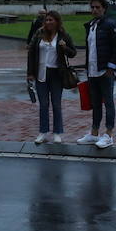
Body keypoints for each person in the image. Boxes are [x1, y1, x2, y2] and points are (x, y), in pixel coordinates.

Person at [78, 0, 116, 149]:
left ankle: (109, 135)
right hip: (92, 71)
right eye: (92, 7)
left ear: (104, 9)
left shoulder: (110, 25)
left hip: (105, 71)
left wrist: (111, 68)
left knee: (108, 103)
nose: (94, 10)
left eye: (98, 7)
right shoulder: (90, 26)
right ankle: (94, 133)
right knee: (96, 104)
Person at [27, 10, 77, 144]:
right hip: (41, 73)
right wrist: (30, 73)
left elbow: (73, 53)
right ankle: (43, 132)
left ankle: (57, 132)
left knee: (56, 104)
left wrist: (65, 48)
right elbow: (31, 52)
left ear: (57, 21)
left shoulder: (63, 35)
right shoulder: (39, 33)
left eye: (51, 20)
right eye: (47, 20)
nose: (48, 22)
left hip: (56, 74)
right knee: (43, 104)